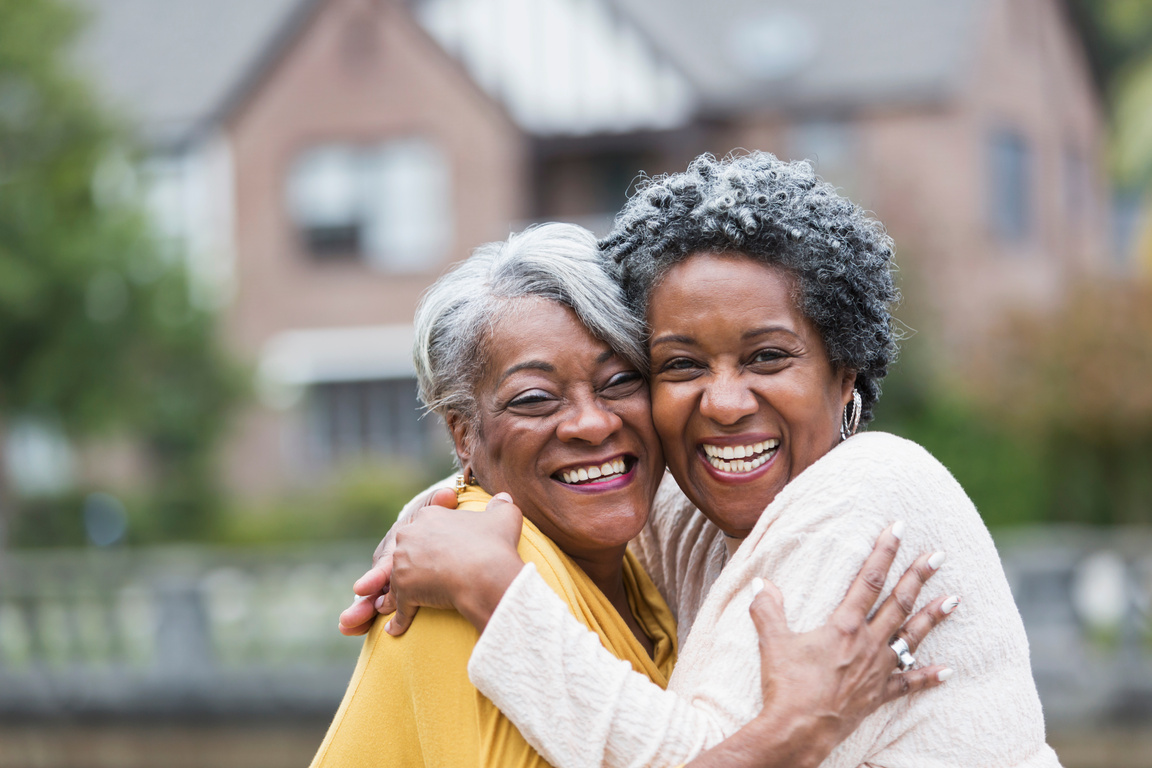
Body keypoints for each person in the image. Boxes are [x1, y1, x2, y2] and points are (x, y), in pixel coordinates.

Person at [343, 153, 1062, 767]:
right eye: (680, 364)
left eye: (768, 357)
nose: (723, 403)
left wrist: (493, 586)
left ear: (845, 373)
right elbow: (563, 471)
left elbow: (696, 748)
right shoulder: (694, 510)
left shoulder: (869, 495)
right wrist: (431, 525)